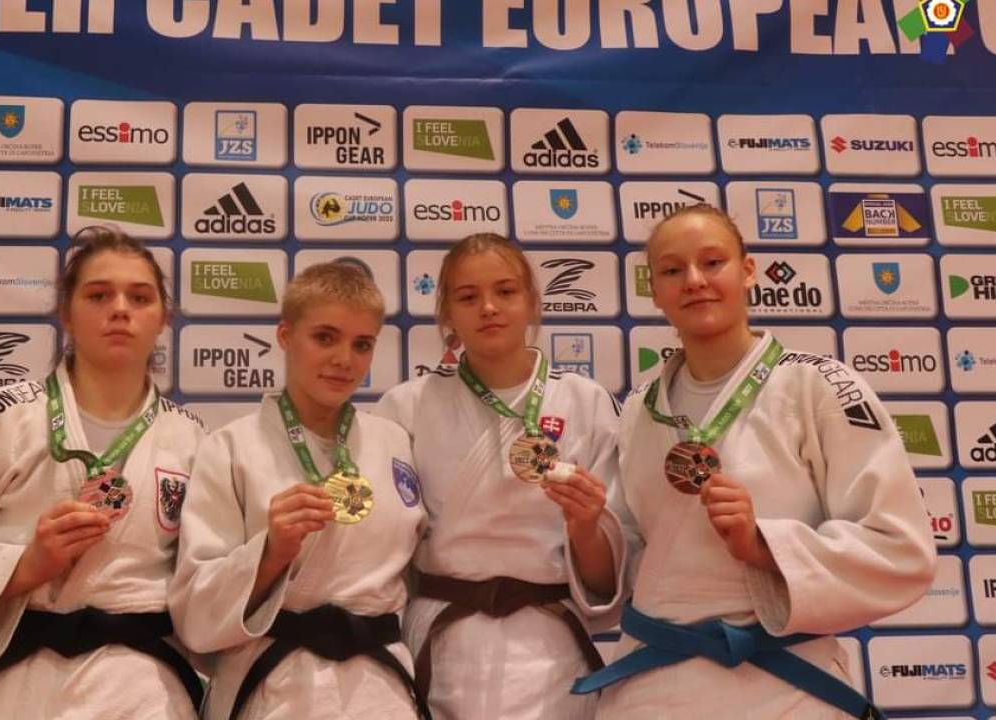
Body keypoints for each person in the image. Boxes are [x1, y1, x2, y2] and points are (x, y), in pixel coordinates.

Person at [571, 205, 936, 719]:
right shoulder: (639, 408)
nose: (694, 281)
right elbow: (632, 558)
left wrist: (762, 543)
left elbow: (899, 547)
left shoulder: (818, 387)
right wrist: (587, 528)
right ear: (654, 290)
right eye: (672, 270)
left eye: (712, 262)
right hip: (654, 687)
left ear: (747, 271)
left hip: (785, 686)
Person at [0, 226, 206, 720]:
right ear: (66, 313)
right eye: (98, 295)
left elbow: (210, 586)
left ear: (163, 318)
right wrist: (23, 566)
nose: (120, 309)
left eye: (140, 297)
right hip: (21, 690)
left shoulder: (194, 440)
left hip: (146, 693)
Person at [375, 232, 622, 720]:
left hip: (550, 649)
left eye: (505, 291)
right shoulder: (406, 407)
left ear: (532, 301)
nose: (488, 308)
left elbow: (605, 580)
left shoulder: (585, 402)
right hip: (444, 645)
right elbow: (384, 549)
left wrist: (586, 526)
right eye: (468, 297)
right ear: (447, 313)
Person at [170, 261, 430, 720]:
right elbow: (196, 615)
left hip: (378, 692)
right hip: (274, 687)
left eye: (362, 344)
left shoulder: (394, 443)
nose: (344, 359)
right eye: (325, 337)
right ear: (285, 336)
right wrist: (271, 553)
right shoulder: (230, 447)